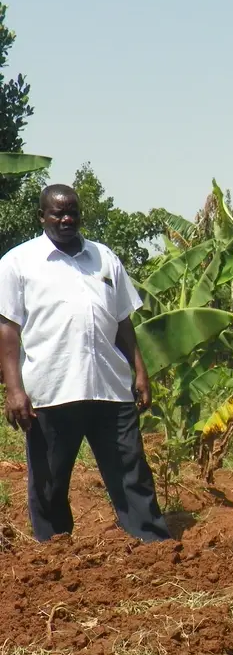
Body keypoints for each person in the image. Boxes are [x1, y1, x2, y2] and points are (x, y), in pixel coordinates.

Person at [0, 184, 171, 543]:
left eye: (72, 211)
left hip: (109, 386)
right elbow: (8, 330)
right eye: (57, 212)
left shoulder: (104, 257)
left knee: (131, 471)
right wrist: (14, 389)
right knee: (50, 480)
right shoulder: (18, 262)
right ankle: (54, 548)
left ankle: (152, 544)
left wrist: (140, 371)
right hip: (52, 389)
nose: (66, 218)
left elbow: (123, 320)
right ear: (41, 217)